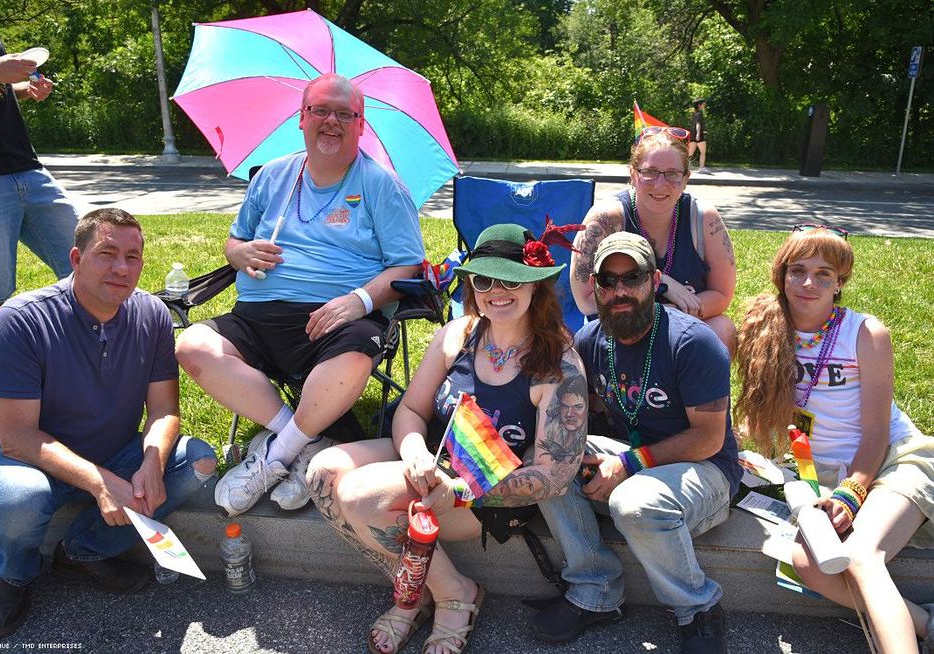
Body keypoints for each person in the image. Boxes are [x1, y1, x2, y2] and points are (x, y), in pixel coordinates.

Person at [306, 224, 587, 654]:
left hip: (488, 493)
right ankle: (421, 588)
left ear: (536, 286)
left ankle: (456, 597)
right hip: (433, 459)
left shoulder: (557, 365)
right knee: (323, 474)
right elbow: (412, 411)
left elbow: (555, 477)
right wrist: (416, 452)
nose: (497, 291)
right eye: (484, 279)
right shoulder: (458, 334)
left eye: (510, 279)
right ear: (472, 285)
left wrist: (456, 491)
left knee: (363, 498)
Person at [175, 73, 425, 516]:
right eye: (321, 111)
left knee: (352, 359)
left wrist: (360, 302)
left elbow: (408, 265)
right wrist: (240, 253)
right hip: (258, 315)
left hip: (339, 318)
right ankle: (304, 442)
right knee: (192, 345)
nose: (332, 121)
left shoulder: (381, 185)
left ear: (361, 124)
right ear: (302, 118)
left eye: (344, 113)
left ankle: (273, 458)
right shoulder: (273, 176)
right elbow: (233, 243)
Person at [0, 208, 217, 640]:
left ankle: (83, 550)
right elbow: (18, 437)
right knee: (20, 497)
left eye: (133, 256)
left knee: (196, 461)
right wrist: (101, 482)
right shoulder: (22, 319)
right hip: (26, 460)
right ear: (76, 258)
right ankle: (14, 575)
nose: (122, 268)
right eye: (107, 253)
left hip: (111, 449)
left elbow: (164, 410)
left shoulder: (153, 315)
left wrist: (152, 462)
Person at [533, 231, 741, 654]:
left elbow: (707, 438)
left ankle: (698, 609)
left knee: (635, 502)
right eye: (608, 281)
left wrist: (628, 464)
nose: (620, 291)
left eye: (633, 278)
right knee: (548, 454)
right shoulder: (591, 342)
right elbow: (579, 412)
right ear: (595, 287)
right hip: (634, 461)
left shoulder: (693, 343)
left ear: (656, 280)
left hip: (706, 471)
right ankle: (595, 591)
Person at [735, 225, 934, 654]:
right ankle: (925, 625)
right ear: (780, 273)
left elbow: (877, 431)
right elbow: (759, 414)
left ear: (840, 282)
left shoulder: (865, 333)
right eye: (798, 270)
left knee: (862, 556)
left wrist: (852, 492)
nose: (809, 283)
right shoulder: (762, 329)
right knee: (809, 562)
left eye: (824, 274)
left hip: (890, 460)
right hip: (818, 473)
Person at [0, 0, 80, 333]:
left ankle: (97, 352)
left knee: (90, 258)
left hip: (25, 164)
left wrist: (22, 89)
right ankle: (9, 369)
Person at [570, 127, 737, 353]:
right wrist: (663, 284)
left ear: (686, 178)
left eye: (672, 174)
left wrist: (669, 314)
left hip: (682, 331)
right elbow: (586, 299)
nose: (660, 185)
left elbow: (721, 294)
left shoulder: (704, 219)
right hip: (620, 329)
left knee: (721, 329)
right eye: (649, 172)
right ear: (633, 174)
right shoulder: (606, 220)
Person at [687, 99, 709, 173]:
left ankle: (685, 166)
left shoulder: (694, 113)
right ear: (699, 105)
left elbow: (694, 124)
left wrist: (699, 132)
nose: (704, 105)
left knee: (690, 153)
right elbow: (698, 124)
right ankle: (702, 168)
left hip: (692, 134)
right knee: (703, 152)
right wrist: (699, 134)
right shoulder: (699, 113)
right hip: (698, 135)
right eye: (703, 104)